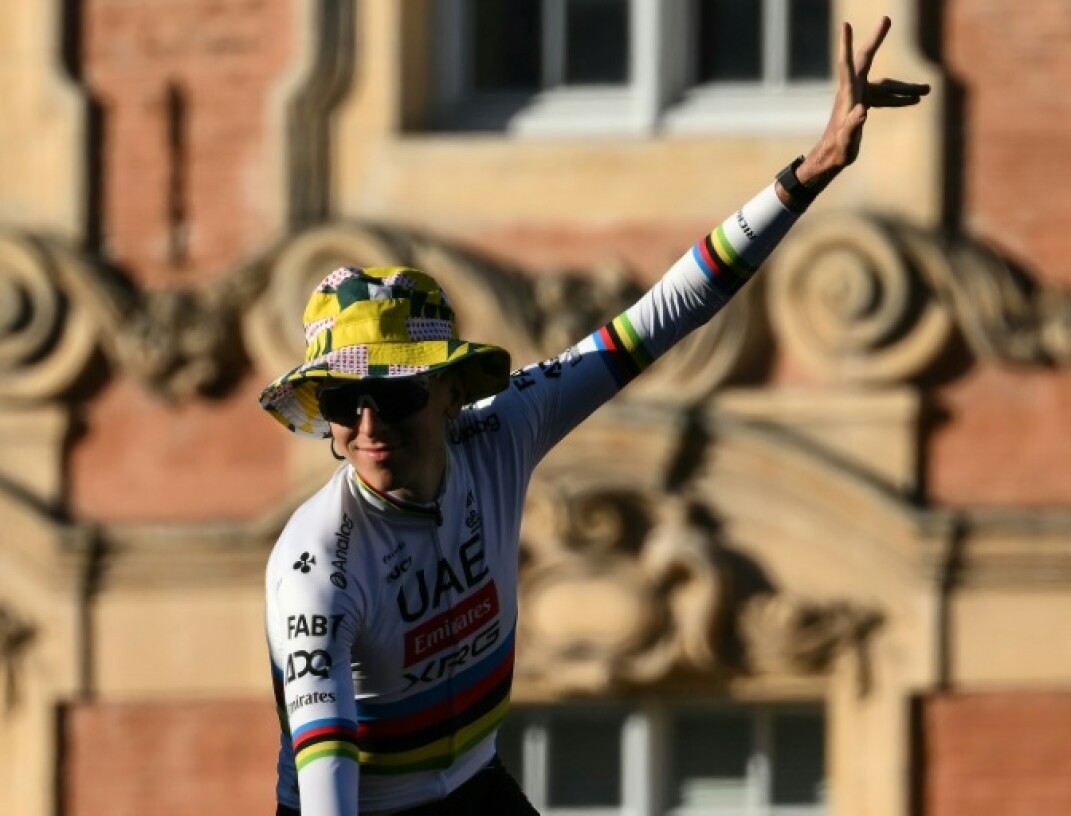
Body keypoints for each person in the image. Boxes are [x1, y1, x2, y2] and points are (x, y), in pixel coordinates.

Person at [259, 16, 928, 816]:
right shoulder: (315, 565)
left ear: (447, 392)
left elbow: (661, 317)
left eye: (394, 396)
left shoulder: (501, 430)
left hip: (473, 786)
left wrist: (808, 174)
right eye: (340, 402)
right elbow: (328, 780)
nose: (367, 427)